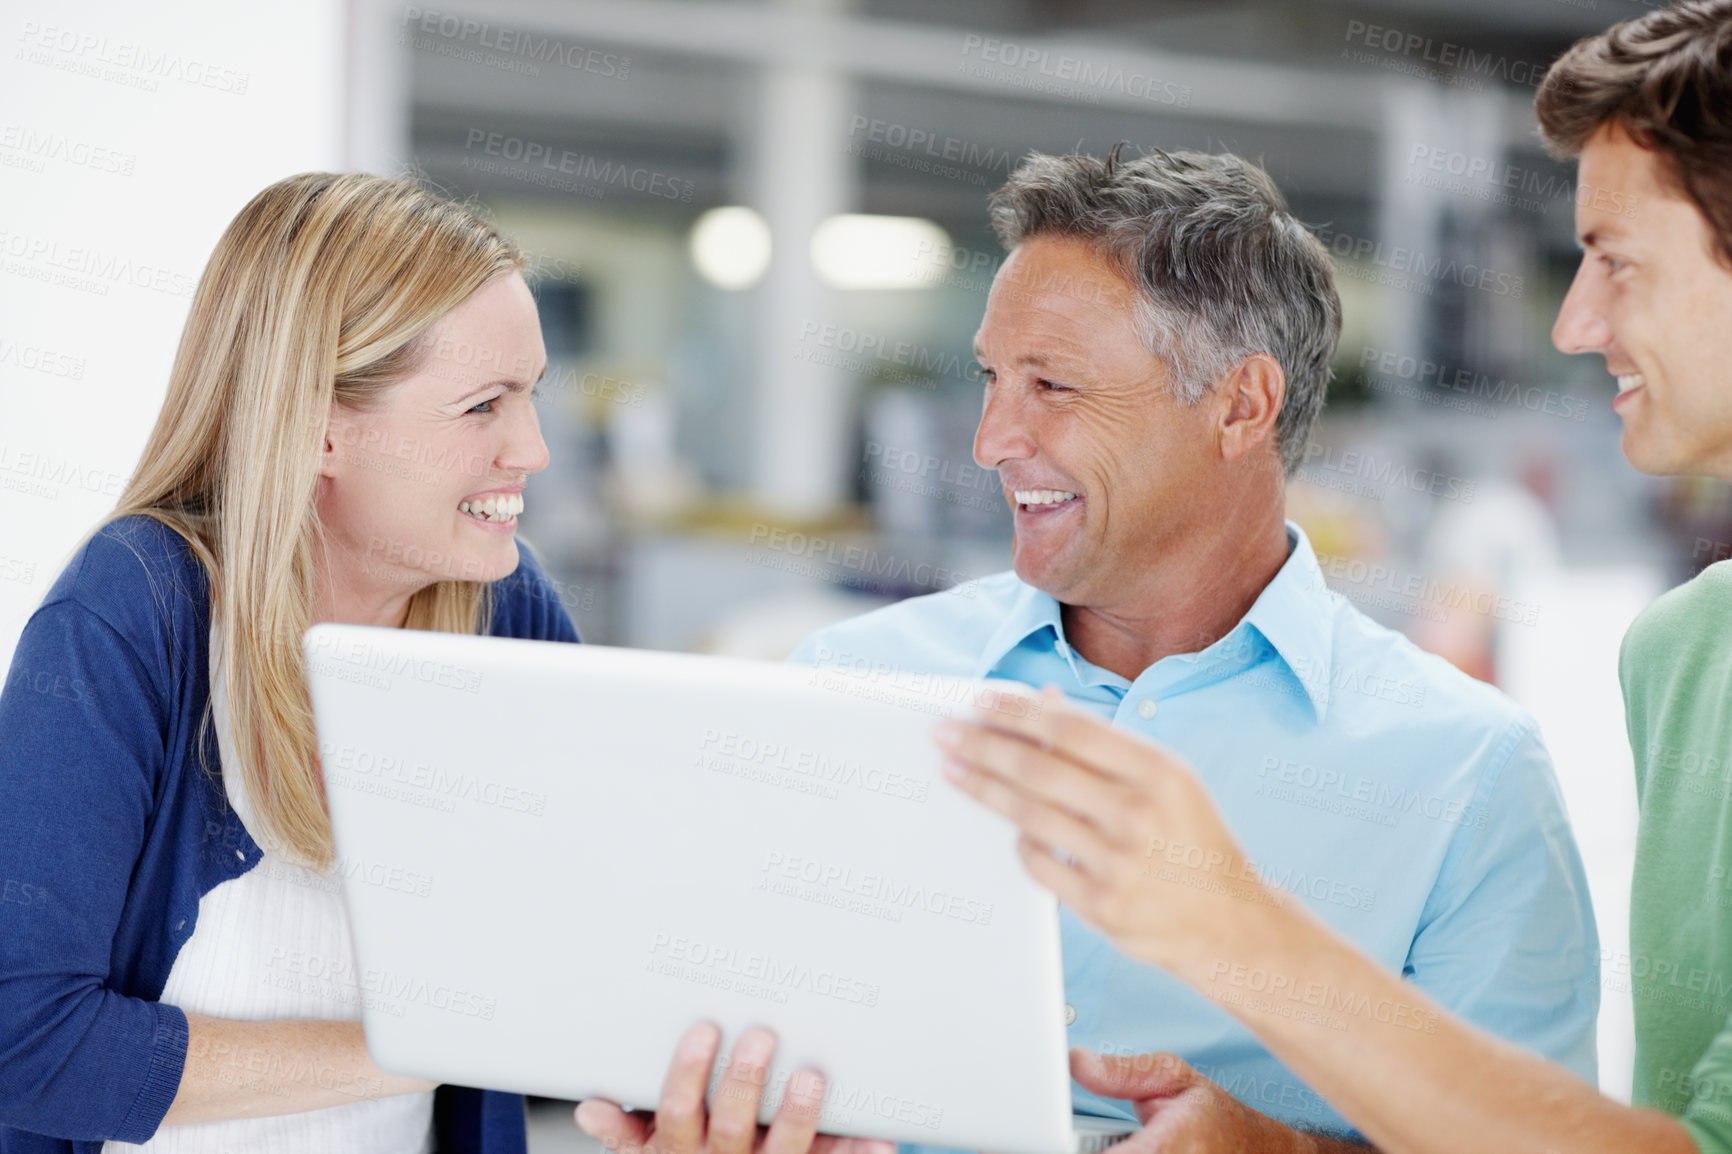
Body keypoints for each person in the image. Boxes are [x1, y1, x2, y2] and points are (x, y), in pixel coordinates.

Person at [935, 3, 1732, 1153]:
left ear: (1241, 406)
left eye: (1614, 260)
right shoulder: (1686, 654)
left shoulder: (1470, 763)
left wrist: (1228, 922)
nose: (1570, 322)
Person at [743, 145, 1594, 1154]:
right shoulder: (850, 682)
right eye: (991, 378)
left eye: (1051, 384)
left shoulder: (1467, 775)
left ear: (1240, 405)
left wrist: (1283, 1150)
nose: (989, 440)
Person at [0, 172, 844, 1154]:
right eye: (482, 405)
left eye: (532, 396)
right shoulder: (136, 608)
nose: (531, 448)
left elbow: (600, 947)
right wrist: (423, 1043)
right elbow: (28, 1041)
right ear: (319, 424)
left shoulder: (504, 607)